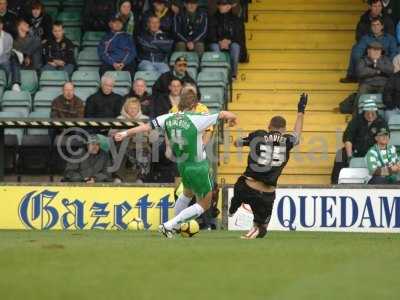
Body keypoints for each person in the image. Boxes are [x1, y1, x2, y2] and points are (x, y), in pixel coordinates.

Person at [114, 89, 238, 238]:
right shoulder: (197, 118)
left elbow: (146, 126)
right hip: (198, 165)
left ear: (179, 104)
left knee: (187, 193)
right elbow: (225, 114)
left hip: (183, 165)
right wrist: (233, 118)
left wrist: (125, 133)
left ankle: (175, 227)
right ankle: (169, 225)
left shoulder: (168, 117)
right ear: (195, 104)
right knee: (205, 203)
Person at [228, 94, 307, 239]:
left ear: (269, 126)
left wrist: (245, 140)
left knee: (240, 184)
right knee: (262, 229)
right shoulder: (288, 140)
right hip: (268, 194)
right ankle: (257, 228)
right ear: (284, 129)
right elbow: (297, 135)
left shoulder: (259, 135)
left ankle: (233, 207)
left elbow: (237, 142)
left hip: (248, 187)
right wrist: (301, 112)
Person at [331, 98, 389, 184]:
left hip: (373, 152)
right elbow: (348, 139)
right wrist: (350, 157)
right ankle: (335, 184)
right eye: (367, 113)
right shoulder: (356, 120)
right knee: (340, 154)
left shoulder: (381, 123)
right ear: (363, 112)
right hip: (355, 150)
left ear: (376, 112)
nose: (370, 116)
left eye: (372, 113)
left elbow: (383, 142)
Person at [341, 17, 397, 83]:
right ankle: (352, 76)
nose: (375, 27)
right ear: (371, 27)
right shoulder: (365, 38)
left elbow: (393, 53)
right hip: (369, 64)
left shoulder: (390, 39)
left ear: (382, 26)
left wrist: (385, 65)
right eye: (373, 25)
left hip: (384, 64)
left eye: (377, 25)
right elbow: (358, 52)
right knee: (355, 48)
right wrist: (363, 64)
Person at [109, 98, 151, 183]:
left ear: (139, 109)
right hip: (123, 146)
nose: (132, 110)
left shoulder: (145, 119)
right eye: (130, 108)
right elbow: (111, 135)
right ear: (126, 108)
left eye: (135, 108)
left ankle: (140, 178)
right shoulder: (119, 119)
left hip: (141, 145)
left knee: (144, 151)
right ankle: (118, 177)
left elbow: (153, 136)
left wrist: (145, 133)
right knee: (121, 150)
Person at [208, 0, 245, 79]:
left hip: (231, 43)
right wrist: (219, 41)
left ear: (229, 6)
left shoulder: (236, 20)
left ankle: (233, 74)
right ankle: (219, 72)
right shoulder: (213, 18)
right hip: (217, 43)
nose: (220, 6)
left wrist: (229, 41)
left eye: (223, 4)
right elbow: (210, 35)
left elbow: (239, 36)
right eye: (219, 4)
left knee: (235, 47)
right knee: (214, 47)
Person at [0, 16, 19, 91]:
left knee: (7, 64)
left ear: (2, 25)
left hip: (4, 60)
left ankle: (10, 86)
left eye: (0, 24)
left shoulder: (8, 36)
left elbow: (8, 52)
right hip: (3, 59)